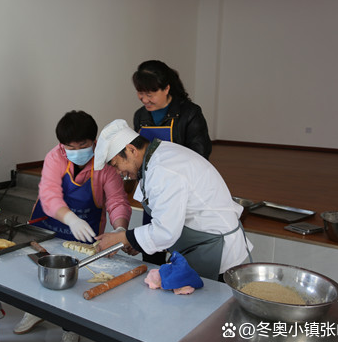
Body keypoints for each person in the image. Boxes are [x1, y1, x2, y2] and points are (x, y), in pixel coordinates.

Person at [14, 111, 131, 342]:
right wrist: (70, 219)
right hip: (49, 226)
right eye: (70, 147)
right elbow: (49, 195)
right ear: (62, 145)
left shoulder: (105, 163)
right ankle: (35, 310)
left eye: (83, 145)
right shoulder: (55, 156)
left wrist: (120, 229)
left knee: (75, 281)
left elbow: (117, 200)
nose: (76, 151)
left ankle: (71, 329)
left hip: (85, 232)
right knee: (41, 271)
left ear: (94, 142)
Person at [93, 119, 252, 282]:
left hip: (214, 247)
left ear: (131, 150)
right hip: (199, 243)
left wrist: (123, 237)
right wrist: (138, 242)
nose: (118, 172)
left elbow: (165, 232)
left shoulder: (163, 169)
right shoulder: (157, 158)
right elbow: (167, 219)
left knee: (206, 297)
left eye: (116, 165)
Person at [132, 60, 213, 265]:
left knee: (183, 254)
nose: (144, 99)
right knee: (151, 253)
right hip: (153, 194)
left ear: (167, 88)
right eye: (140, 93)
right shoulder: (140, 116)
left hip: (181, 195)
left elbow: (200, 156)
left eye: (150, 94)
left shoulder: (189, 114)